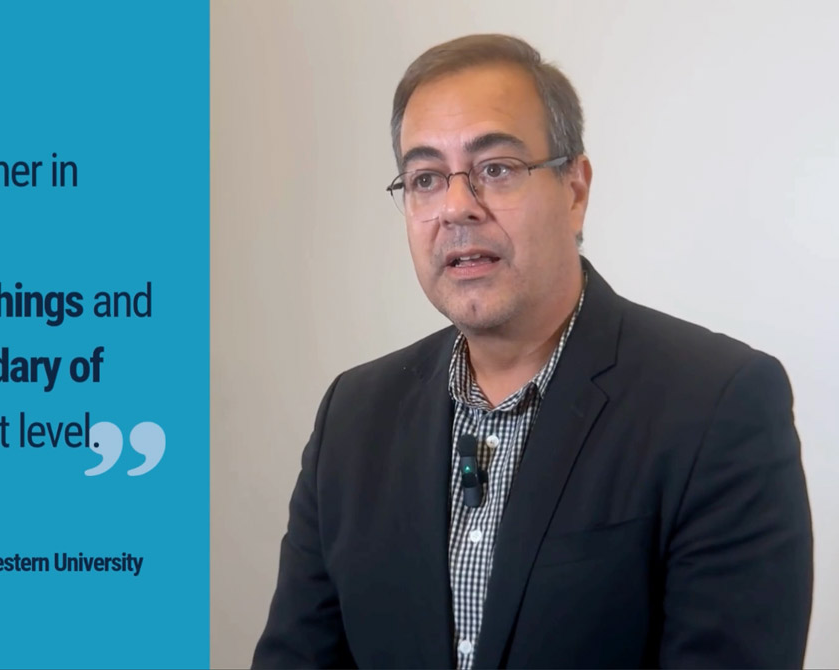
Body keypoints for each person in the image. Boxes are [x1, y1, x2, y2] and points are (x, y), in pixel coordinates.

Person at [252, 34, 813, 669]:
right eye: (426, 178)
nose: (456, 208)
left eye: (496, 169)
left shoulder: (718, 405)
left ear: (575, 189)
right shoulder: (353, 416)